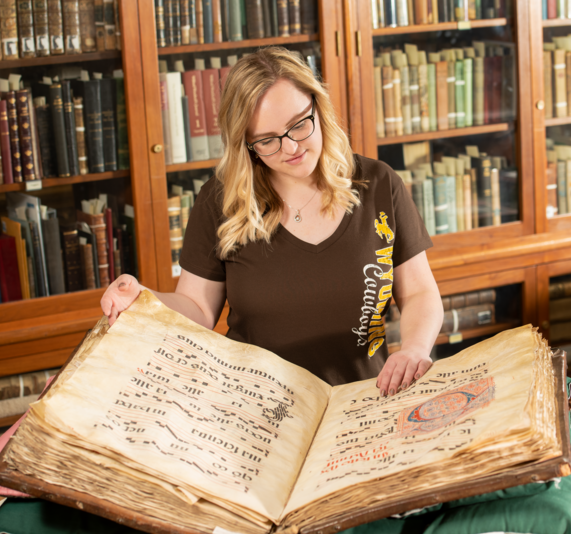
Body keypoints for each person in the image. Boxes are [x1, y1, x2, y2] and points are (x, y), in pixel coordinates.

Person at [101, 47, 443, 397]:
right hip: (258, 409)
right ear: (247, 145)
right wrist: (146, 301)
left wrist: (415, 349)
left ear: (318, 106)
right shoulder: (220, 201)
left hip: (363, 399)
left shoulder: (378, 184)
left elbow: (418, 292)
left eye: (299, 125)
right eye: (267, 140)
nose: (291, 147)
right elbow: (198, 310)